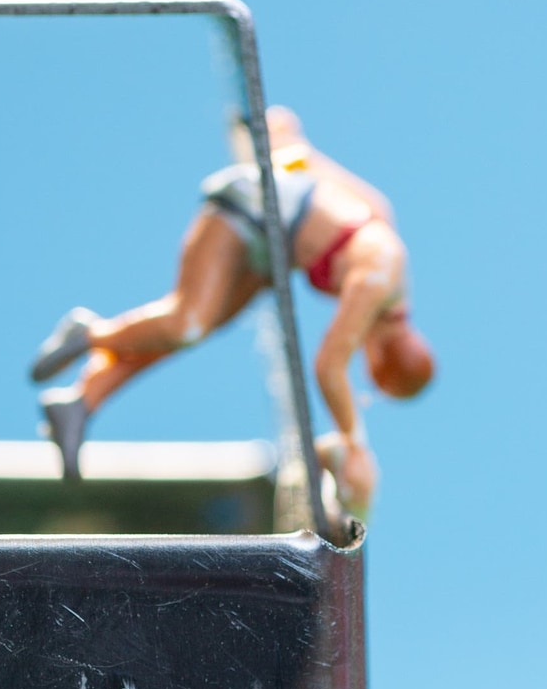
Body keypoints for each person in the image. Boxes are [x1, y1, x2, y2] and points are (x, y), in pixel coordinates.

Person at [28, 107, 435, 514]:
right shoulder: (378, 279)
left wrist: (289, 140)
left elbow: (318, 168)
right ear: (380, 360)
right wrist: (354, 441)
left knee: (185, 333)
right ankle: (88, 333)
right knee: (184, 324)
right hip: (249, 211)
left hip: (268, 252)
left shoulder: (382, 241)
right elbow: (329, 365)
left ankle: (83, 400)